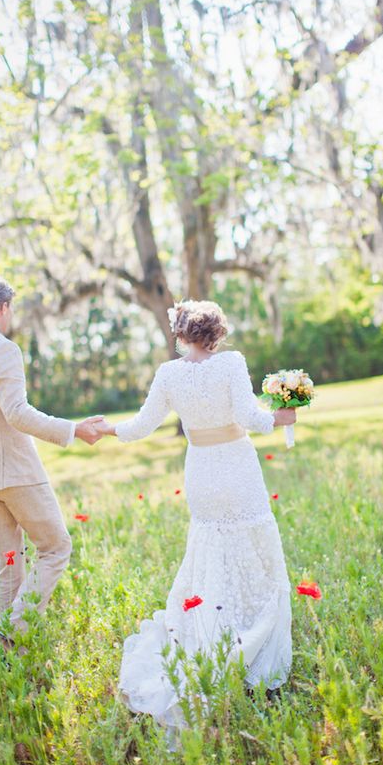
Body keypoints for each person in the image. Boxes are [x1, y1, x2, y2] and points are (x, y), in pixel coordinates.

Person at [94, 300, 296, 730]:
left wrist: (108, 429)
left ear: (181, 335)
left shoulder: (168, 374)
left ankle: (212, 628)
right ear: (217, 334)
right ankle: (252, 629)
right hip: (237, 468)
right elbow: (248, 417)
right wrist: (281, 417)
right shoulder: (232, 364)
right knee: (250, 541)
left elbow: (140, 426)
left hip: (202, 471)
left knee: (210, 546)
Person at [0, 276, 102, 656]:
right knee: (56, 546)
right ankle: (10, 634)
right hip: (16, 474)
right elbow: (17, 413)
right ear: (4, 309)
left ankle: (10, 653)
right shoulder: (3, 350)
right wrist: (73, 429)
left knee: (9, 561)